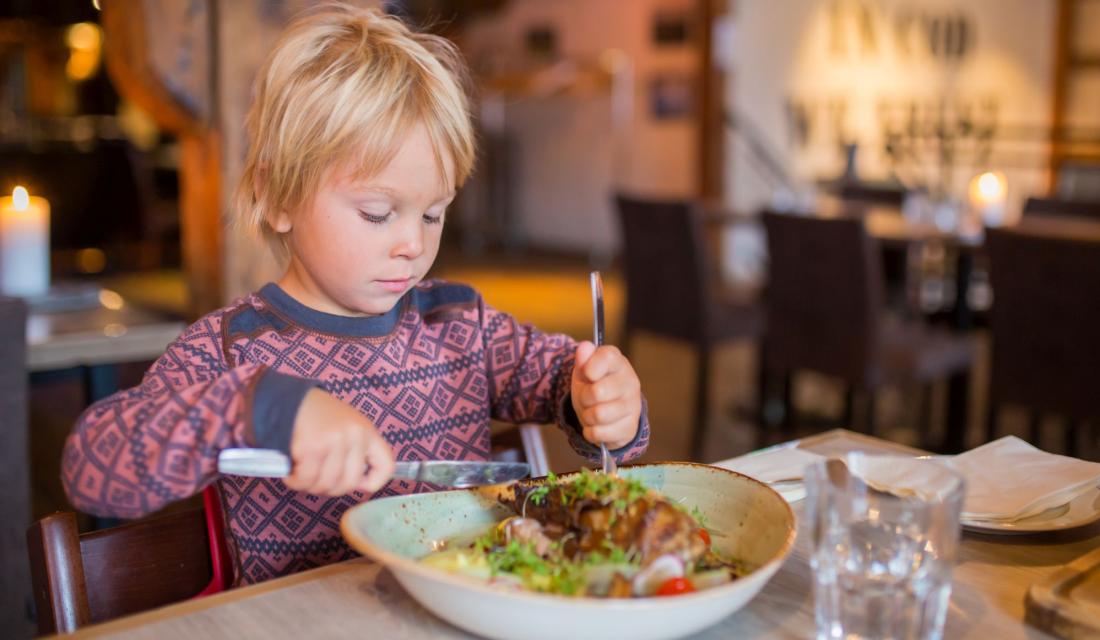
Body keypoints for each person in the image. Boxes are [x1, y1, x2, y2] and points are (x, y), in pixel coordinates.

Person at [62, 3, 648, 586]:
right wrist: (259, 408)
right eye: (376, 213)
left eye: (433, 213)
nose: (413, 244)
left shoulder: (459, 323)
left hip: (460, 604)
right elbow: (91, 466)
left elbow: (561, 378)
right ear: (277, 197)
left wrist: (600, 401)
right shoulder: (231, 350)